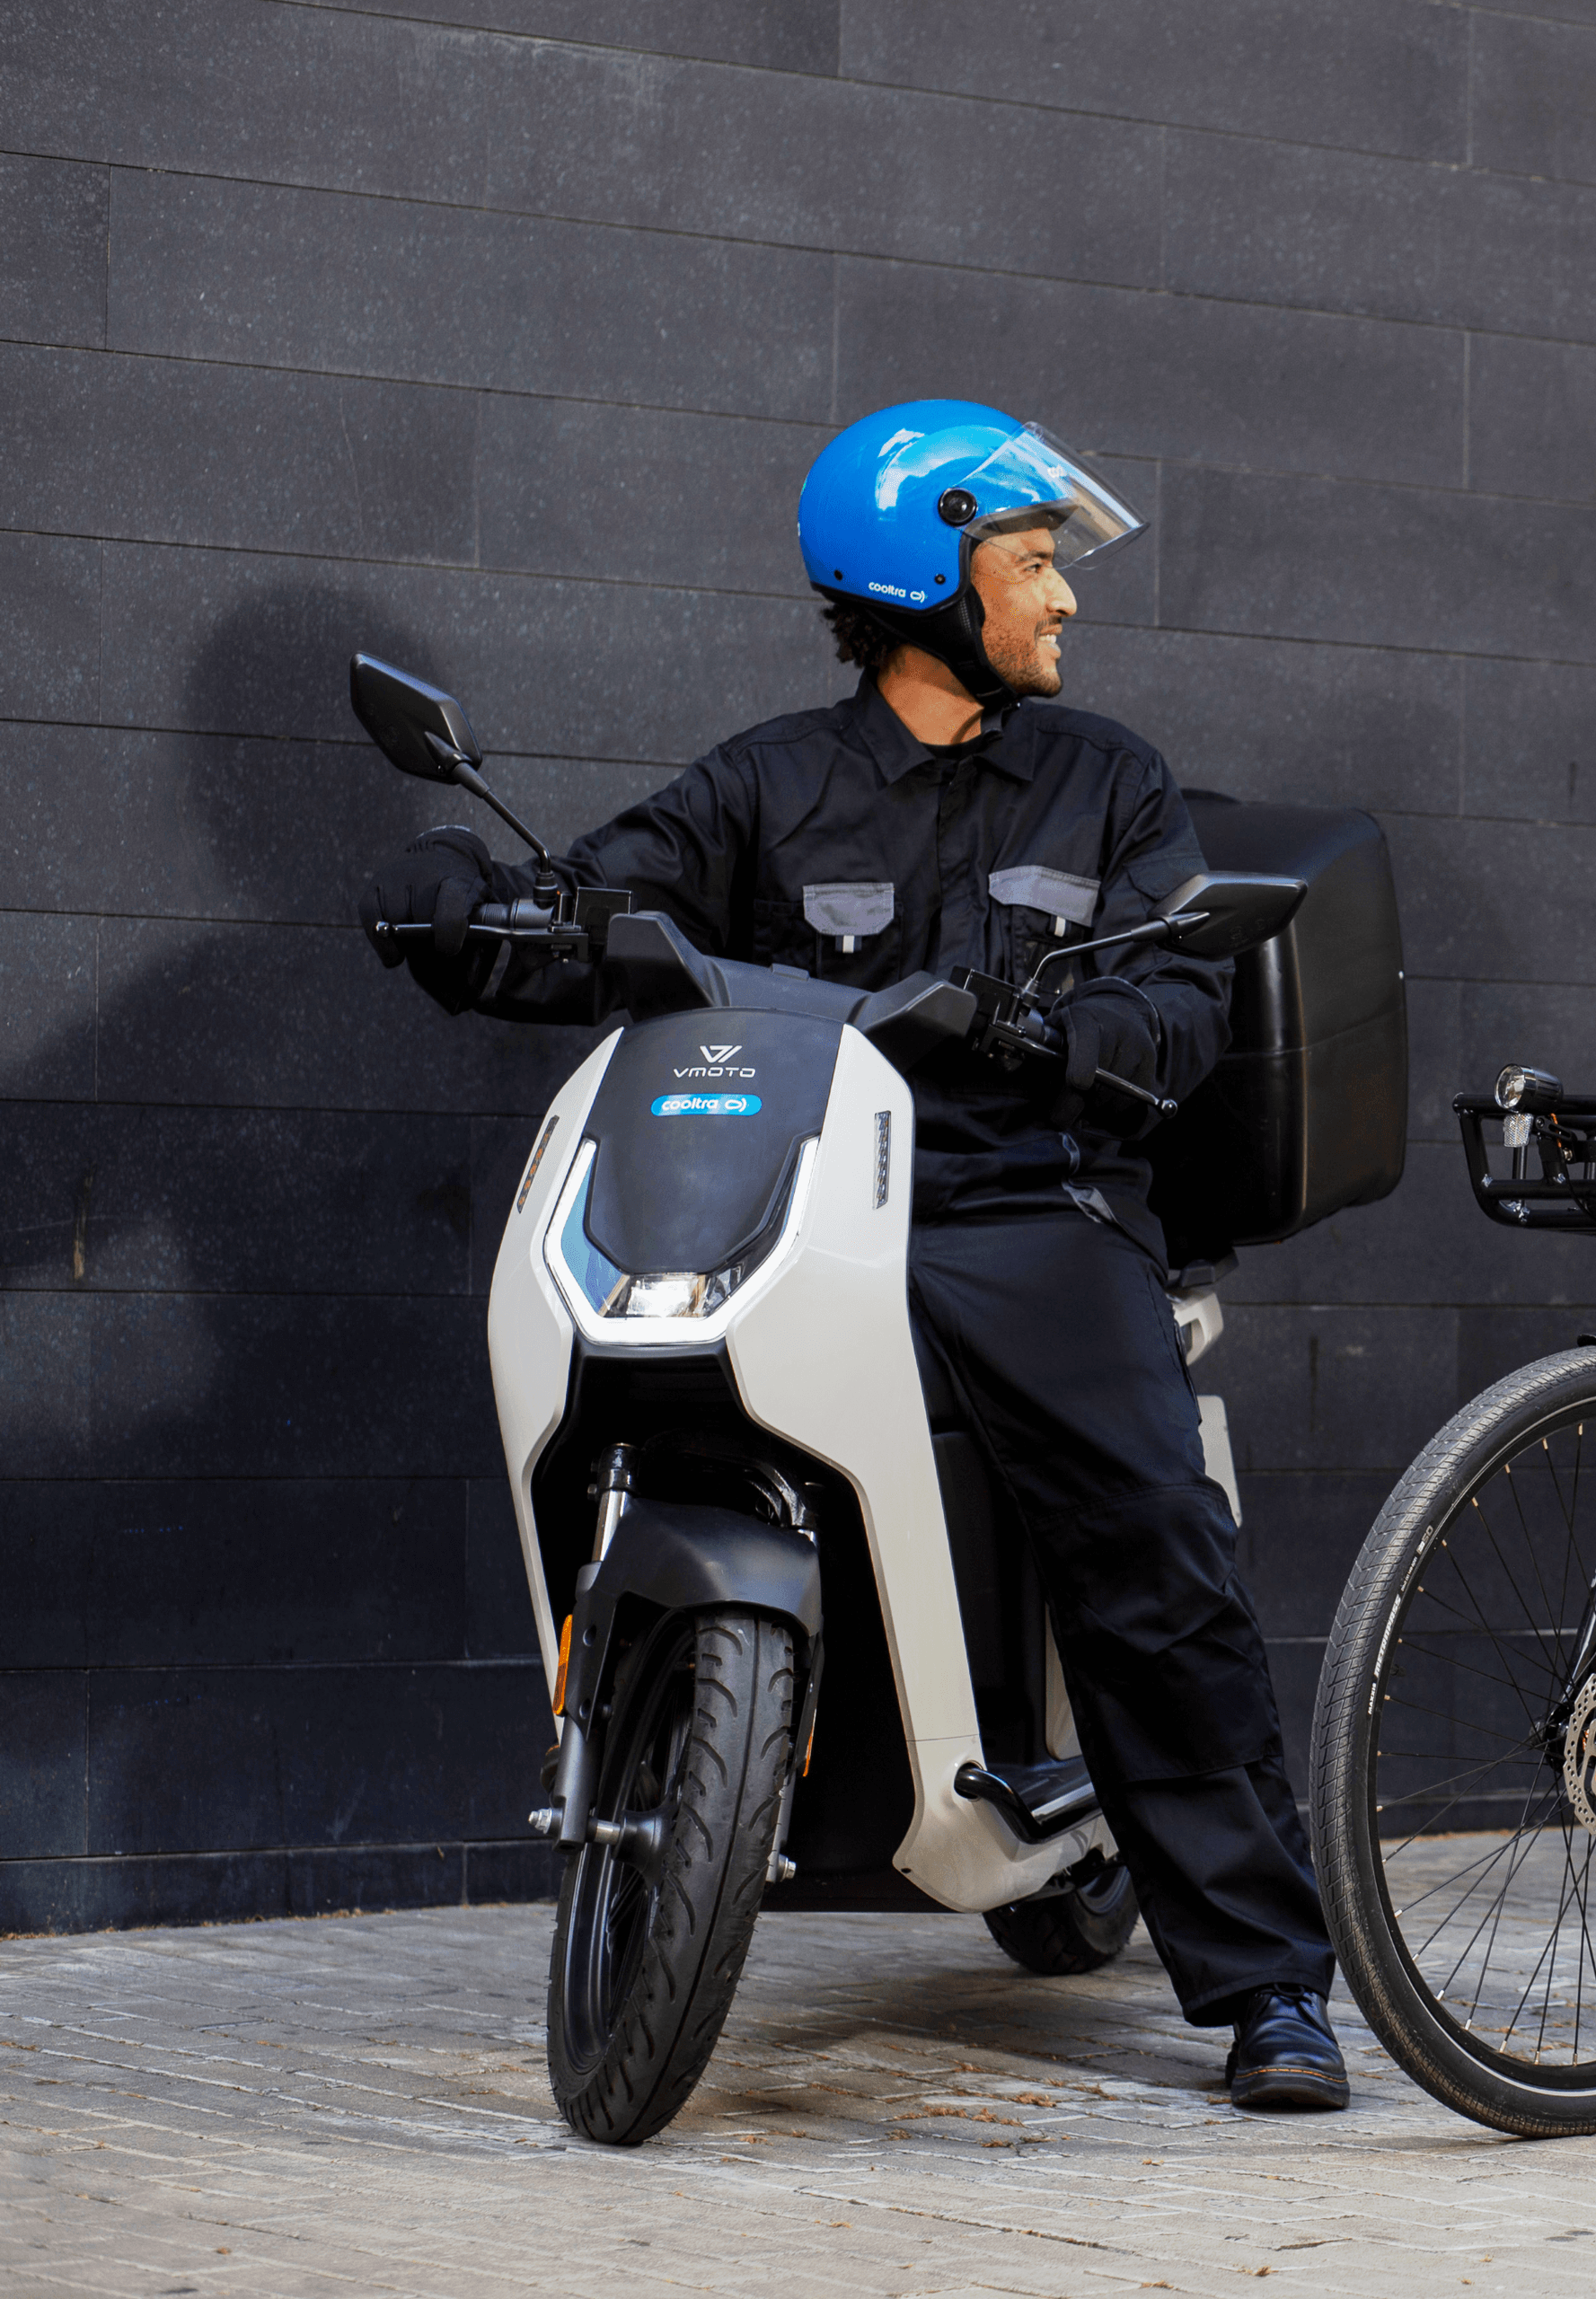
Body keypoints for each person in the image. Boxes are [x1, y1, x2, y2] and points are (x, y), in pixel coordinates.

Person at [361, 401, 1348, 2113]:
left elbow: (1182, 994)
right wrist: (470, 913)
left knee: (1147, 1534)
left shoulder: (1110, 780)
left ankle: (1268, 1985)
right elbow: (609, 904)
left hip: (1029, 1196)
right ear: (927, 580)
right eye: (1031, 565)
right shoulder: (767, 783)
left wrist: (1079, 1034)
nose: (1061, 600)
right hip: (817, 1202)